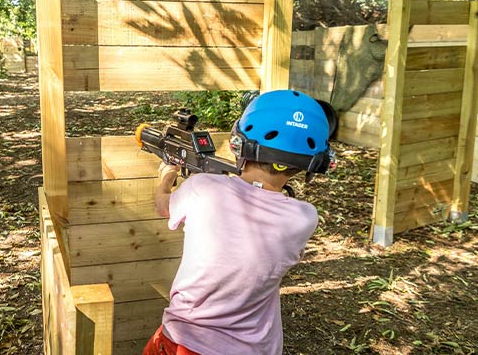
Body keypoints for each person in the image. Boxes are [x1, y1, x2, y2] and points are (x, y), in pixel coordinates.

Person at [143, 90, 335, 355]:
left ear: (238, 142)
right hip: (258, 348)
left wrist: (166, 176)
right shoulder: (304, 218)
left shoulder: (203, 187)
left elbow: (163, 205)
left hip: (187, 342)